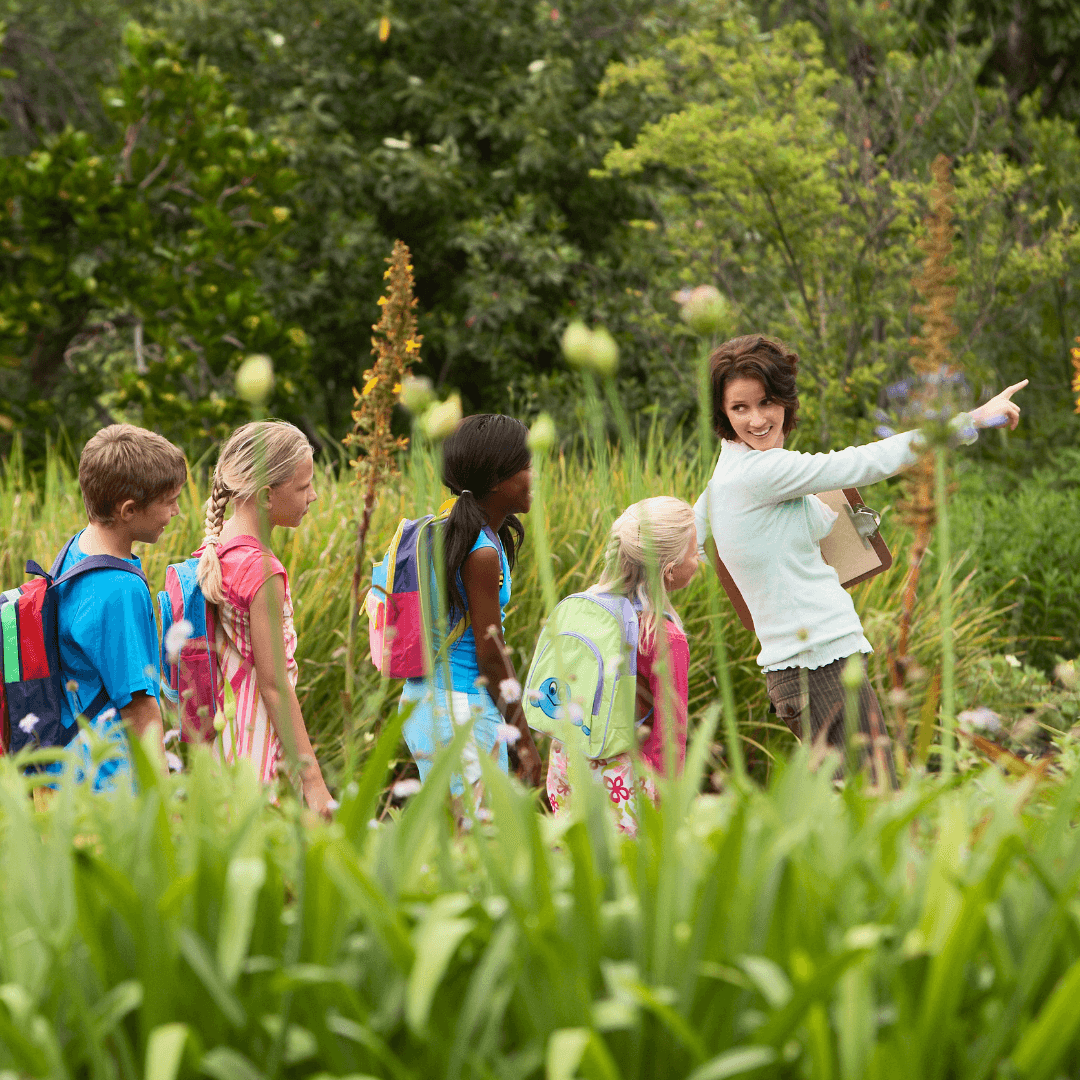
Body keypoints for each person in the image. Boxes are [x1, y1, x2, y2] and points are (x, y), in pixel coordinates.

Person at [694, 334, 1027, 782]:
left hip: (812, 665)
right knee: (877, 804)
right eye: (740, 408)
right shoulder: (760, 472)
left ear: (786, 401)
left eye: (767, 401)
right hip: (818, 666)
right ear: (723, 413)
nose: (756, 419)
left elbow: (686, 533)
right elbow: (866, 461)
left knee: (861, 816)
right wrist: (973, 419)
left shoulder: (730, 470)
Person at [196, 420, 334, 816]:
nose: (314, 495)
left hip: (222, 742)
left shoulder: (215, 555)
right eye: (303, 486)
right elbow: (274, 687)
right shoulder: (262, 571)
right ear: (267, 495)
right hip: (258, 750)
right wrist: (314, 783)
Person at [400, 413, 543, 798]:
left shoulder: (444, 529)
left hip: (424, 701)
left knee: (456, 838)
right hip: (459, 708)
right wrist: (524, 742)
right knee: (477, 842)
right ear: (497, 480)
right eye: (528, 465)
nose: (536, 473)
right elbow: (490, 656)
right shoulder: (479, 552)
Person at [546, 496, 698, 836]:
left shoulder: (586, 611)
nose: (698, 560)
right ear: (670, 571)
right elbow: (669, 733)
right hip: (625, 781)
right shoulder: (663, 637)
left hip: (569, 763)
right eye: (695, 552)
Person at [58, 424, 186, 789]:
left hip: (66, 766)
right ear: (129, 510)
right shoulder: (121, 589)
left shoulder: (77, 550)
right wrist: (164, 805)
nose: (176, 511)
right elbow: (140, 710)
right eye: (169, 501)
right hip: (108, 780)